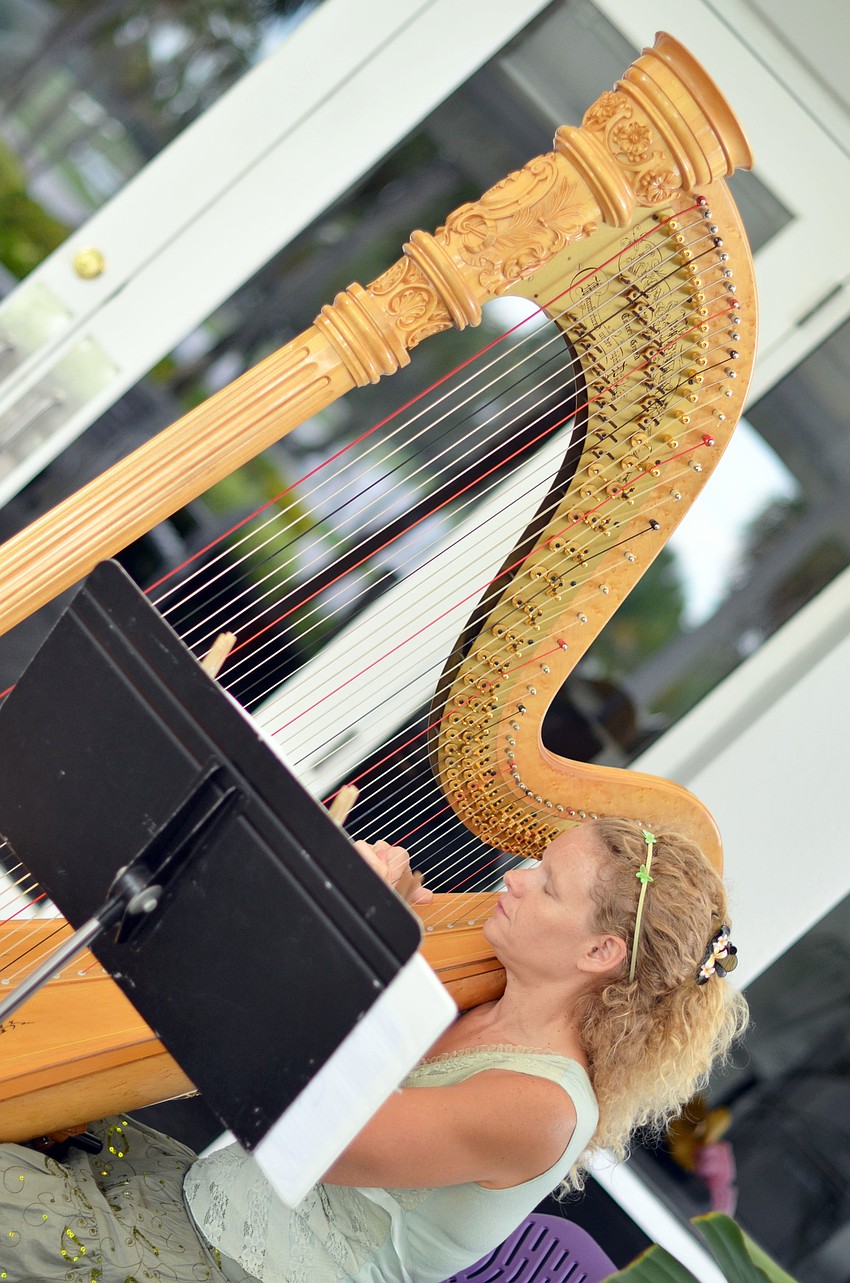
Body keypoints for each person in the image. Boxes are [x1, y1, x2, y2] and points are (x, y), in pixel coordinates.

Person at [0, 818, 747, 1283]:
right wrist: (375, 909)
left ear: (599, 951)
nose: (514, 880)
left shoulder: (543, 1109)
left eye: (547, 885)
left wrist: (348, 932)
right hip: (188, 1198)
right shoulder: (485, 990)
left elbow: (313, 1136)